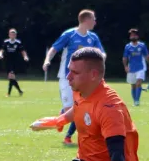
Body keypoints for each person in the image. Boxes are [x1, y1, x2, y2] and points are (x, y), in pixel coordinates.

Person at [43, 9, 104, 146]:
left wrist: (101, 60)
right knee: (71, 110)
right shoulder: (69, 35)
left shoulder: (93, 38)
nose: (95, 21)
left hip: (84, 79)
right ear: (86, 20)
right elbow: (54, 49)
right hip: (67, 77)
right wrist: (47, 60)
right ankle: (62, 116)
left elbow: (101, 53)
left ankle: (68, 136)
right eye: (93, 19)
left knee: (81, 108)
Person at [122, 29, 149, 106]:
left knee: (138, 83)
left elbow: (147, 56)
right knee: (133, 85)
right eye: (131, 35)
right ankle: (135, 100)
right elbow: (125, 57)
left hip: (141, 68)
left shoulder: (142, 45)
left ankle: (137, 101)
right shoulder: (128, 46)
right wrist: (125, 66)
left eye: (134, 35)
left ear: (137, 36)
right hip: (131, 68)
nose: (132, 36)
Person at [0, 28, 29, 97]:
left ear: (15, 35)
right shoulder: (6, 42)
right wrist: (0, 54)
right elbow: (2, 50)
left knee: (11, 76)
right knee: (11, 78)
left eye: (14, 34)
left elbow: (23, 51)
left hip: (15, 62)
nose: (12, 35)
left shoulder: (18, 43)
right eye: (11, 34)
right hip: (7, 61)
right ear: (9, 35)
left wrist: (25, 57)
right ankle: (20, 91)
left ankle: (8, 93)